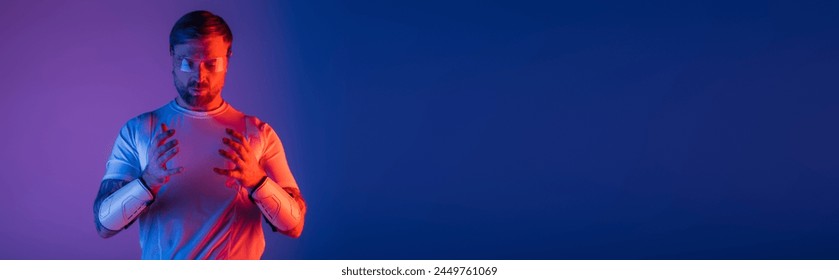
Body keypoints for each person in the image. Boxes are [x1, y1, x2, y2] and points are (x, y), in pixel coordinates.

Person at [92, 10, 306, 259]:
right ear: (172, 56)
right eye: (187, 62)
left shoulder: (258, 134)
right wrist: (147, 182)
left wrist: (257, 181)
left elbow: (294, 226)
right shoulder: (139, 131)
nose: (199, 76)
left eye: (211, 63)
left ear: (228, 58)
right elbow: (104, 225)